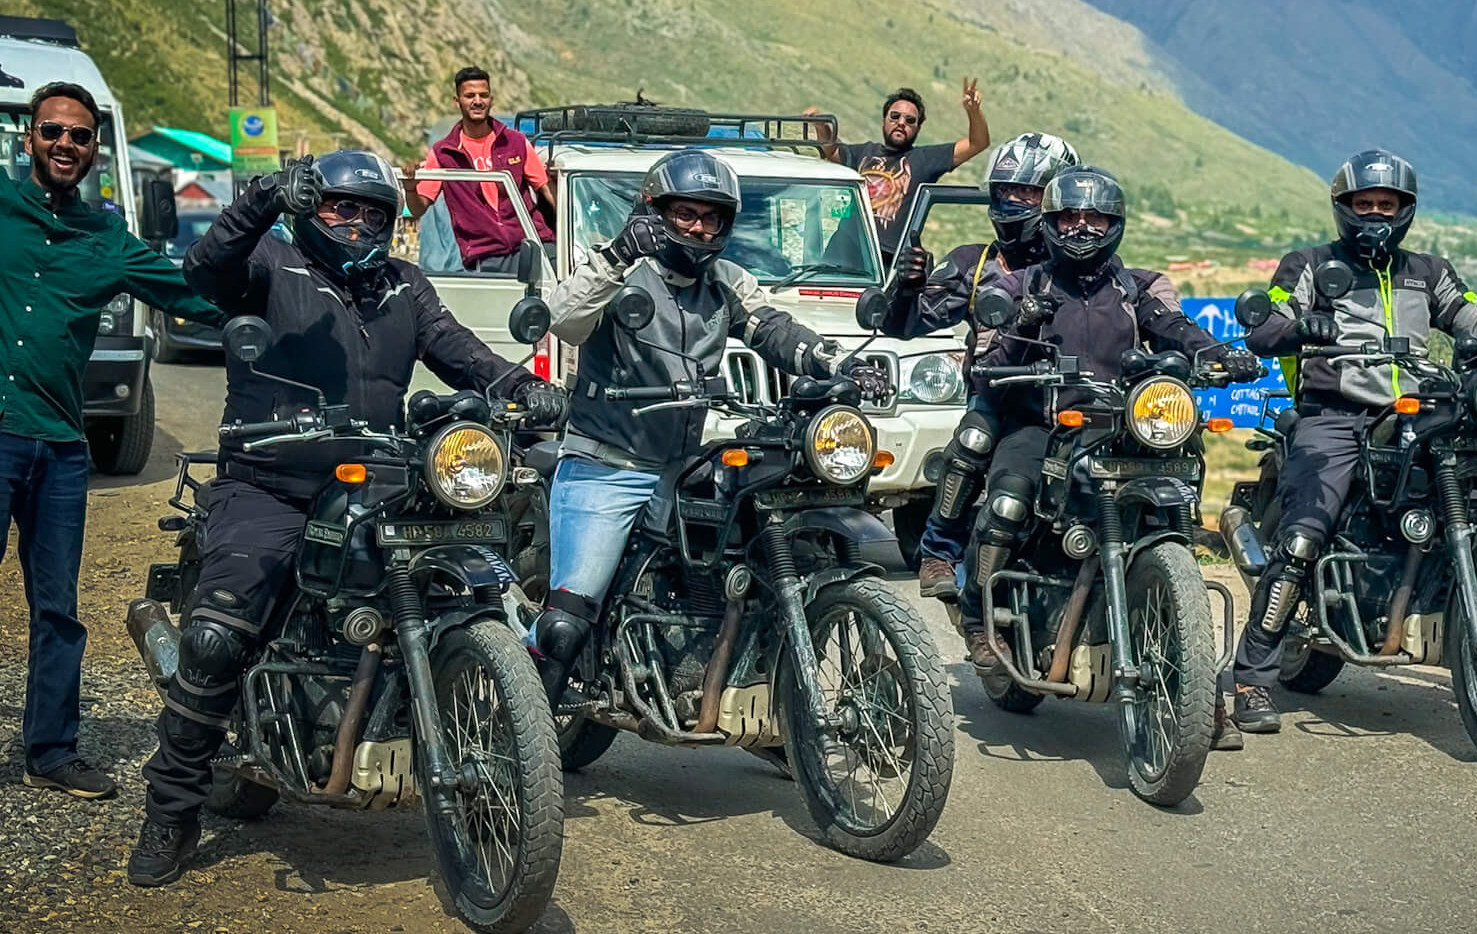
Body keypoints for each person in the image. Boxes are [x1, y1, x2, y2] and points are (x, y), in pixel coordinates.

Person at [129, 150, 566, 887]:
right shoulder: (268, 263)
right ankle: (170, 812)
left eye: (372, 211)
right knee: (213, 638)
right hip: (270, 481)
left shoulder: (404, 284)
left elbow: (460, 352)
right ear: (311, 209)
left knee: (468, 587)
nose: (357, 220)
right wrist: (264, 196)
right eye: (340, 206)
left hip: (378, 483)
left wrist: (525, 389)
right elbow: (203, 270)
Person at [1226, 149, 1477, 737]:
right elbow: (1267, 325)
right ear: (1345, 208)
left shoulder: (1427, 271)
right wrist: (1300, 327)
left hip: (1418, 410)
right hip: (1333, 415)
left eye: (1388, 204)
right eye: (1365, 204)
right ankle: (1253, 674)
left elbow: (1473, 315)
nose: (1376, 214)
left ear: (1405, 210)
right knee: (1306, 535)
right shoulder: (1309, 265)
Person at [528, 149, 862, 705]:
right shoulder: (618, 269)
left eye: (712, 218)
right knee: (567, 624)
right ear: (655, 211)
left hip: (682, 465)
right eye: (686, 214)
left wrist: (835, 362)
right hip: (606, 461)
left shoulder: (727, 282)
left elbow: (773, 330)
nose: (699, 228)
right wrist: (616, 255)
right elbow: (564, 318)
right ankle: (517, 741)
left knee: (751, 550)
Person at [953, 167, 1260, 727]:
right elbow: (986, 365)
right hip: (1042, 424)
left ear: (1115, 224)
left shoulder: (1136, 286)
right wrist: (1022, 324)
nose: (1082, 227)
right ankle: (979, 618)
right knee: (1008, 503)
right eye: (1070, 216)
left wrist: (1217, 352)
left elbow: (1173, 325)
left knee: (1173, 518)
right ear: (1049, 223)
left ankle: (1198, 686)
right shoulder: (1024, 283)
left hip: (1123, 425)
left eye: (1095, 218)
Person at [1, 83, 219, 804]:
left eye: (80, 136)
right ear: (29, 137)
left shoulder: (108, 239)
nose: (66, 144)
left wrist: (286, 304)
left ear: (95, 150)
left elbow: (193, 293)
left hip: (63, 447)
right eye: (53, 131)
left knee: (59, 609)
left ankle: (51, 751)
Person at [874, 131, 1080, 599]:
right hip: (1000, 395)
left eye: (1027, 192)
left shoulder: (1085, 267)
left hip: (1071, 400)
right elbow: (906, 325)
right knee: (973, 439)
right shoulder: (974, 262)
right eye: (1006, 191)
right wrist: (906, 288)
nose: (1014, 201)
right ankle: (938, 552)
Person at [805, 79, 989, 262]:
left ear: (918, 128)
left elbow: (977, 143)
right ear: (884, 120)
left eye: (910, 120)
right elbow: (831, 150)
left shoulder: (925, 159)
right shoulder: (863, 152)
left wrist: (973, 111)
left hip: (888, 261)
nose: (901, 122)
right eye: (895, 116)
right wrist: (819, 124)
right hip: (842, 251)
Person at [401, 66, 556, 272]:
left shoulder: (515, 142)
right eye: (470, 95)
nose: (477, 101)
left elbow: (546, 190)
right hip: (485, 256)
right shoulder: (443, 153)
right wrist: (411, 188)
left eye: (483, 95)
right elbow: (418, 208)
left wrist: (572, 233)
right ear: (457, 102)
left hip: (533, 244)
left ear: (491, 100)